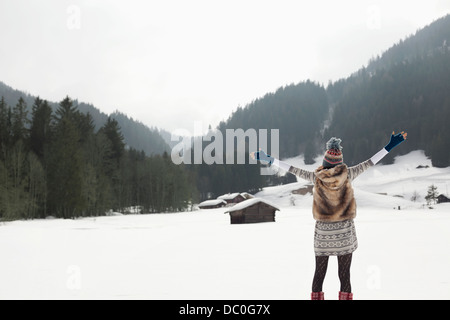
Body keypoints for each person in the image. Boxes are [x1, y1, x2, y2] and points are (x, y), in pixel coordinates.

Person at [251, 131, 407, 300]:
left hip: (323, 236)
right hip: (344, 234)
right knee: (345, 275)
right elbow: (371, 162)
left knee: (319, 275)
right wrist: (389, 146)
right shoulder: (348, 174)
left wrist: (269, 159)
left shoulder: (315, 177)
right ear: (340, 163)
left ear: (325, 162)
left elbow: (291, 168)